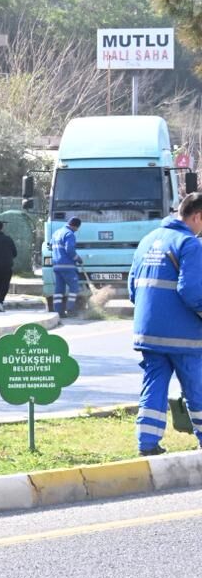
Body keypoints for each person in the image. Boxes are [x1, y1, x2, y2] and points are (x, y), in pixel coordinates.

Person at [128, 192, 202, 456]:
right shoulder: (190, 244)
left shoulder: (148, 240)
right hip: (184, 336)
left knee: (154, 384)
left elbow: (132, 289)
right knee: (197, 388)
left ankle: (147, 444)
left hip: (148, 333)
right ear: (197, 216)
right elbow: (192, 291)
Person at [49, 217, 83, 317]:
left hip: (56, 265)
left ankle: (58, 311)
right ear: (76, 226)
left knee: (59, 290)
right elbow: (69, 249)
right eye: (78, 228)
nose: (77, 230)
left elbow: (51, 246)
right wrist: (78, 258)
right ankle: (70, 309)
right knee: (74, 288)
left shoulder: (56, 233)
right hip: (67, 266)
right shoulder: (69, 234)